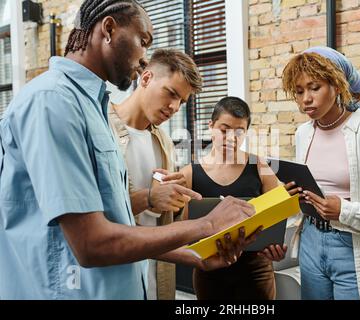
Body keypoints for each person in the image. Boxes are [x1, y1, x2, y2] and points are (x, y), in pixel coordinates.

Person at [0, 0, 256, 300]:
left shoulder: (92, 109)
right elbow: (91, 243)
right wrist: (207, 224)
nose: (143, 58)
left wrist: (193, 256)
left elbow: (119, 225)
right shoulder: (52, 102)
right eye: (142, 42)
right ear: (108, 29)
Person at [282, 46, 360, 300]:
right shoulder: (303, 134)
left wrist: (344, 210)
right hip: (310, 240)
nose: (305, 99)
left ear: (337, 85)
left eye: (314, 87)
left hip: (353, 246)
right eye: (299, 91)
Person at [180, 97, 298, 300]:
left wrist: (275, 249)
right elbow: (181, 230)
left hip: (256, 271)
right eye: (224, 130)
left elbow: (276, 221)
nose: (231, 138)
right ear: (211, 126)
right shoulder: (189, 174)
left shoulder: (260, 167)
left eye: (239, 132)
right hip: (209, 272)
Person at [108, 48, 203, 300]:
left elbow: (163, 217)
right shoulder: (101, 129)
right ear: (146, 78)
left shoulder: (164, 141)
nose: (174, 107)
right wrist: (149, 197)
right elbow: (94, 216)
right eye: (171, 93)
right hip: (115, 277)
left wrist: (176, 200)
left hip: (157, 278)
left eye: (181, 101)